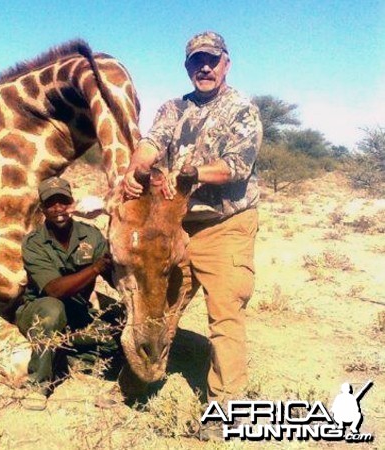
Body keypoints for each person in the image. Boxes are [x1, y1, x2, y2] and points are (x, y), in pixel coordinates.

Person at [122, 31, 262, 435]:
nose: (204, 67)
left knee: (225, 313)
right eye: (196, 61)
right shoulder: (172, 108)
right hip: (176, 226)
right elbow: (150, 145)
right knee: (159, 307)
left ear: (225, 64)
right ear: (187, 67)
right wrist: (137, 170)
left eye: (212, 60)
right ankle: (140, 380)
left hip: (225, 226)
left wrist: (190, 173)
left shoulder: (242, 110)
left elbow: (236, 166)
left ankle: (227, 410)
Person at [16, 176, 121, 399]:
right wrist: (95, 269)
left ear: (72, 204)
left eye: (63, 201)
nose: (58, 209)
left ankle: (64, 357)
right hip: (39, 312)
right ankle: (38, 384)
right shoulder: (33, 242)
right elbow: (55, 290)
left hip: (77, 314)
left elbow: (115, 276)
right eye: (51, 203)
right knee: (54, 309)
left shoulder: (91, 235)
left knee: (114, 340)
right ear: (42, 209)